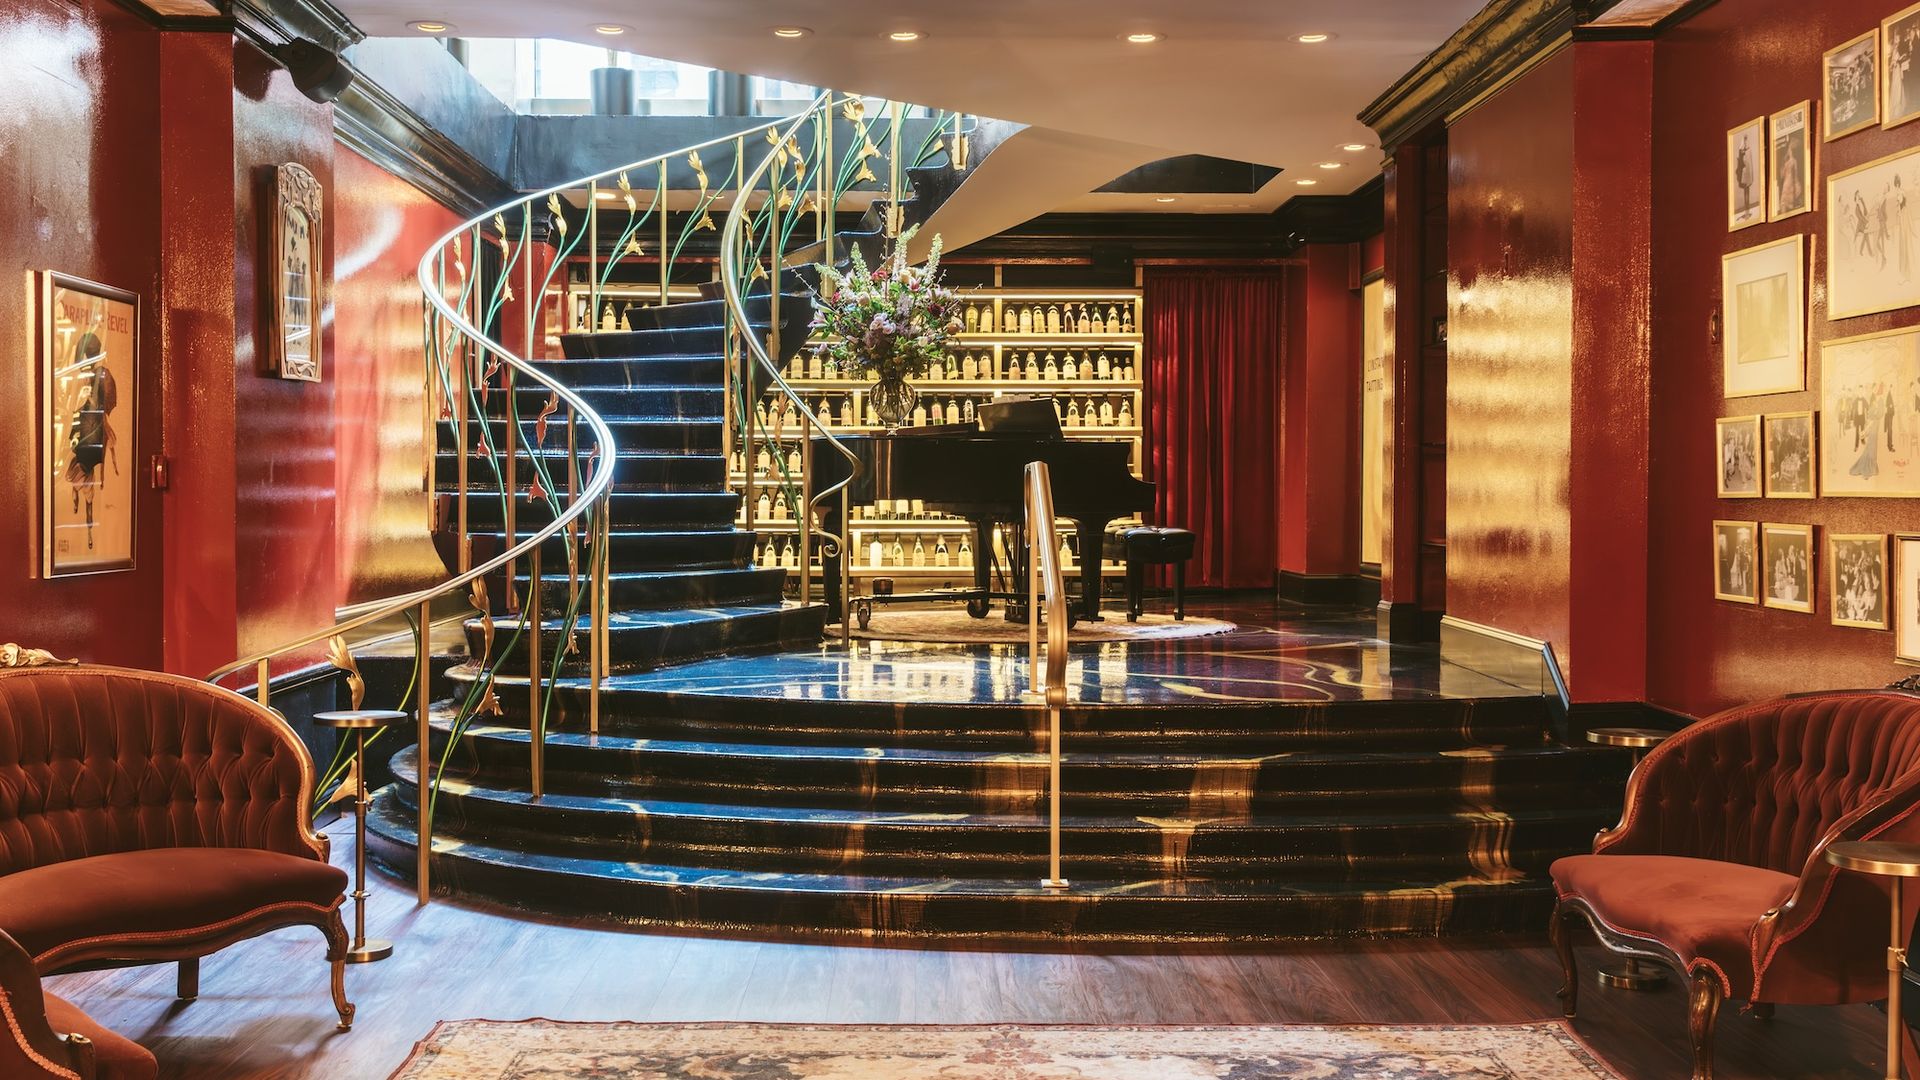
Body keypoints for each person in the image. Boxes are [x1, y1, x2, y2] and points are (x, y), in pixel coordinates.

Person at [63, 306, 117, 551]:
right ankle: (80, 506)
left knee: (86, 481)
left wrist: (90, 402)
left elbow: (102, 407)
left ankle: (88, 529)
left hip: (92, 434)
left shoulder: (101, 377)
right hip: (84, 434)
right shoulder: (84, 379)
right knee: (79, 474)